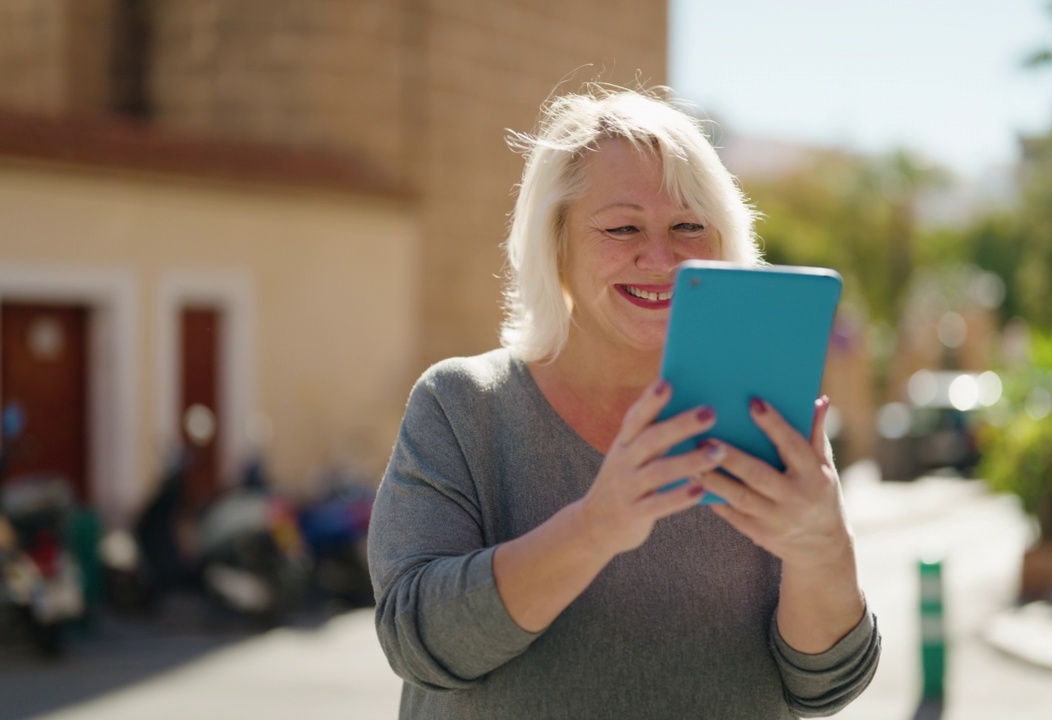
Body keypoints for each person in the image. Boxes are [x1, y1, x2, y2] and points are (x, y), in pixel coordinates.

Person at [369, 86, 880, 719]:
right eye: (622, 227)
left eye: (689, 225)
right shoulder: (461, 407)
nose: (661, 258)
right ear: (557, 244)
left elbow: (826, 688)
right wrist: (594, 527)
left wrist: (821, 548)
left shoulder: (772, 418)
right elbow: (415, 641)